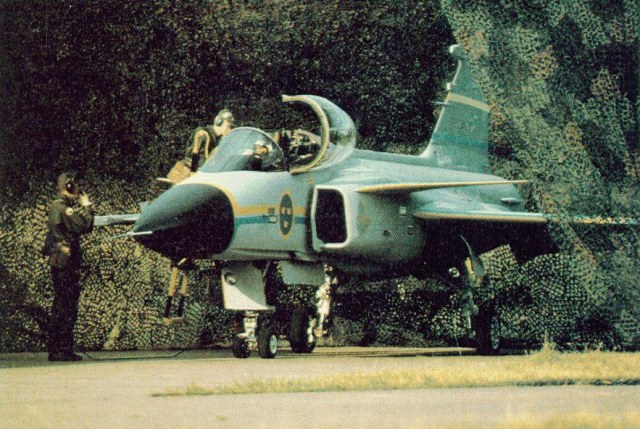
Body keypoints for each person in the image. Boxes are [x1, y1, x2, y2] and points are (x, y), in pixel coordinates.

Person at [43, 173, 94, 361]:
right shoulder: (64, 208)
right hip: (65, 261)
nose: (79, 189)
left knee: (61, 304)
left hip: (60, 260)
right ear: (70, 186)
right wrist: (87, 206)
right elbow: (85, 225)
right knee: (66, 305)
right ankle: (61, 349)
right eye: (76, 185)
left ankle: (58, 348)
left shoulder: (57, 206)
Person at [165, 109, 236, 184]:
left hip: (197, 176)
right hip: (188, 176)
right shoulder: (203, 134)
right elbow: (197, 158)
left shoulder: (216, 140)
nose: (229, 130)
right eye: (228, 126)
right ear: (219, 122)